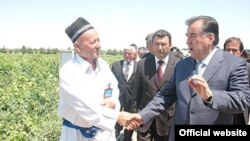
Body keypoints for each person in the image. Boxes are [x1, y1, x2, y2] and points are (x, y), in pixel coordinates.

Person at [126, 15, 250, 141]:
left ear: (210, 38)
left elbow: (242, 100)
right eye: (187, 36)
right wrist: (142, 116)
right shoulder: (182, 65)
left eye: (193, 36)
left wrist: (210, 96)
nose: (187, 41)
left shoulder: (234, 64)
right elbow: (165, 96)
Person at [58, 17, 132, 141]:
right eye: (93, 42)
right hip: (76, 134)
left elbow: (113, 87)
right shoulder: (69, 71)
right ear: (77, 46)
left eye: (98, 41)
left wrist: (112, 102)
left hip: (104, 135)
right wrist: (116, 116)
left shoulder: (102, 65)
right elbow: (84, 107)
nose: (98, 45)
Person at [131, 29, 180, 141]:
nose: (160, 48)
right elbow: (136, 92)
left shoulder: (178, 64)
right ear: (152, 45)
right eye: (157, 44)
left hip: (167, 121)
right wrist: (135, 115)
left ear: (170, 45)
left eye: (163, 44)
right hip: (144, 119)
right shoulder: (142, 64)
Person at [111, 45, 138, 141]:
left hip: (132, 98)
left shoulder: (138, 66)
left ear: (134, 54)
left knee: (130, 119)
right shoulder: (115, 65)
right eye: (125, 53)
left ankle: (127, 138)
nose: (127, 55)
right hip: (118, 97)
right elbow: (110, 82)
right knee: (115, 118)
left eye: (129, 53)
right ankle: (116, 136)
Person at [223, 37, 250, 125]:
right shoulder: (216, 68)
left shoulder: (247, 68)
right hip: (220, 115)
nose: (230, 53)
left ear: (241, 52)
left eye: (234, 50)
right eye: (228, 50)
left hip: (240, 116)